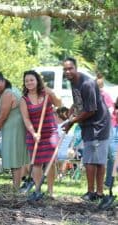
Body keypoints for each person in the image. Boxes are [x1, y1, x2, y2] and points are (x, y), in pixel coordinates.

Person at [62, 57, 111, 201]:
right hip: (87, 124)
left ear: (76, 68)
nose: (67, 71)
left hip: (99, 125)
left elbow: (91, 110)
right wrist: (70, 114)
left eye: (70, 68)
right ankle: (94, 193)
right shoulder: (73, 82)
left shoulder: (87, 84)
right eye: (65, 69)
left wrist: (72, 122)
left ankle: (96, 193)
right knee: (90, 159)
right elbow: (79, 102)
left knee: (94, 160)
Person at [20, 70, 61, 196]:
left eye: (31, 80)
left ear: (37, 80)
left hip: (50, 132)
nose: (29, 83)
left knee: (51, 161)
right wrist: (34, 133)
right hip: (34, 133)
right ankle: (38, 189)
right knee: (37, 163)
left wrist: (52, 93)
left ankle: (50, 190)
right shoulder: (24, 99)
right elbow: (26, 119)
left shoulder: (46, 93)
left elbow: (59, 104)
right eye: (27, 81)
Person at [0, 73, 29, 189]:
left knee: (14, 157)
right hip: (14, 126)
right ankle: (17, 186)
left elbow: (3, 115)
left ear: (4, 81)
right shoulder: (10, 90)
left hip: (13, 128)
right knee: (16, 157)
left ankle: (16, 188)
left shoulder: (7, 93)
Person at [105, 97, 118, 187]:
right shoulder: (112, 107)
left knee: (113, 159)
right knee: (113, 158)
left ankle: (109, 183)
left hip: (114, 131)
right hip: (112, 131)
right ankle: (109, 183)